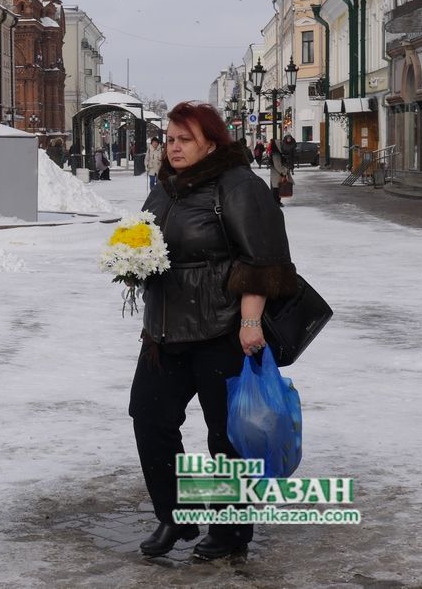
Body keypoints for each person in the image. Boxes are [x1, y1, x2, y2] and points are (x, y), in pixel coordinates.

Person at [133, 101, 296, 561]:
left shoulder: (238, 185)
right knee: (149, 417)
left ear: (211, 141)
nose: (174, 148)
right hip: (165, 330)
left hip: (221, 329)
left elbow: (261, 261)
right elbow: (147, 238)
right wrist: (130, 260)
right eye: (169, 139)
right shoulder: (166, 188)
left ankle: (229, 528)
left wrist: (249, 322)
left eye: (184, 139)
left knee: (224, 435)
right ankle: (176, 513)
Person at [269, 137, 292, 207]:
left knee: (277, 188)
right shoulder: (276, 154)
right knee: (276, 189)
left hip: (276, 174)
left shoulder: (276, 153)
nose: (282, 145)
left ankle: (277, 202)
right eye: (280, 144)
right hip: (277, 174)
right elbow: (277, 165)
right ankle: (276, 202)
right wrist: (283, 172)